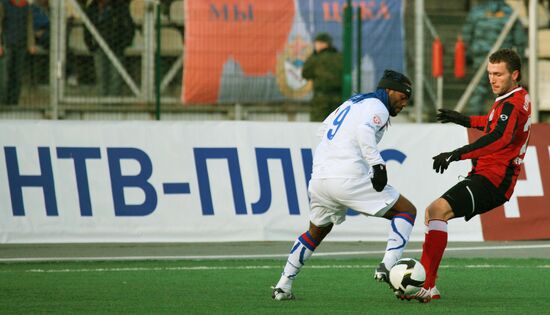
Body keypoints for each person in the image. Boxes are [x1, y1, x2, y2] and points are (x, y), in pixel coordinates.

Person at [272, 69, 417, 300]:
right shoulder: (378, 107)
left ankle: (283, 284)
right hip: (347, 176)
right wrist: (377, 165)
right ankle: (388, 265)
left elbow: (325, 131)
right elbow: (364, 131)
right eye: (404, 96)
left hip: (320, 178)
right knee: (406, 211)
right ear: (390, 90)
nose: (405, 103)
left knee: (317, 231)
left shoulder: (352, 103)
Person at [412, 48, 531, 303]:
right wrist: (464, 120)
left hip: (493, 180)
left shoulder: (513, 103)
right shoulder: (515, 98)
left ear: (515, 74)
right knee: (433, 214)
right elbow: (494, 122)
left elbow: (498, 136)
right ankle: (425, 282)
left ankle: (426, 284)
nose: (492, 79)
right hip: (487, 177)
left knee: (436, 211)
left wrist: (456, 154)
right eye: (490, 73)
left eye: (498, 74)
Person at [462, 0, 526, 115]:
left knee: (478, 91)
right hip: (503, 60)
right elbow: (520, 40)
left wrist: (468, 56)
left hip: (480, 57)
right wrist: (519, 59)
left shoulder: (477, 11)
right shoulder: (510, 12)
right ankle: (503, 122)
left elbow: (467, 36)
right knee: (503, 92)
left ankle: (473, 124)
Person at [84, 0, 134, 96]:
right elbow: (87, 27)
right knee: (101, 76)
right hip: (99, 47)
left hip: (116, 47)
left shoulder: (120, 6)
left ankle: (113, 105)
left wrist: (123, 43)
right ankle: (103, 104)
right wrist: (91, 45)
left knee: (116, 77)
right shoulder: (92, 8)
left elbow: (129, 27)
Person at [0, 0, 37, 105]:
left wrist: (31, 43)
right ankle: (3, 103)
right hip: (7, 44)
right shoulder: (4, 4)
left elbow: (29, 25)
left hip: (21, 44)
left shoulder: (26, 6)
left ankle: (14, 103)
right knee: (5, 77)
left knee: (17, 77)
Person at [302, 32, 343, 122]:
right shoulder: (340, 57)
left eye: (316, 43)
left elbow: (305, 73)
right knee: (336, 125)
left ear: (322, 44)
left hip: (320, 100)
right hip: (339, 98)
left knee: (317, 126)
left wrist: (314, 55)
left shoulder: (316, 58)